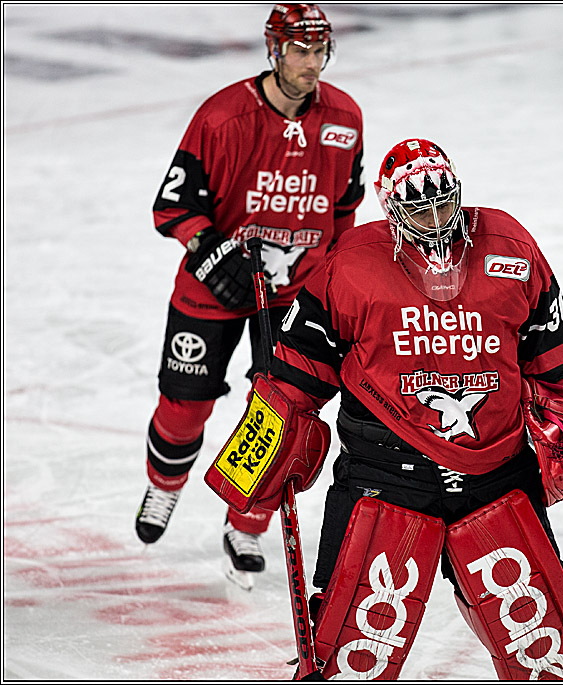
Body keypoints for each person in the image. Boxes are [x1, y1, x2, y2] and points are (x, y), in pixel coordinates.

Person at [207, 138, 563, 679]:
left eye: (444, 202)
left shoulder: (510, 247)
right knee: (350, 661)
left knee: (551, 659)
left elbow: (552, 358)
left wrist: (559, 427)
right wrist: (254, 459)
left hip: (498, 476)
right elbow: (294, 378)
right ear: (390, 206)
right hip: (385, 477)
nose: (436, 219)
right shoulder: (350, 265)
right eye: (419, 207)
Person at [135, 2, 365, 583]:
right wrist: (213, 254)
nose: (311, 64)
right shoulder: (222, 116)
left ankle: (248, 521)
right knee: (185, 405)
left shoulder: (345, 119)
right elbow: (174, 205)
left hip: (295, 295)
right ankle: (164, 485)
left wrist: (337, 283)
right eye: (300, 51)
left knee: (279, 415)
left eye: (320, 52)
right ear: (274, 50)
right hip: (211, 291)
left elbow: (344, 214)